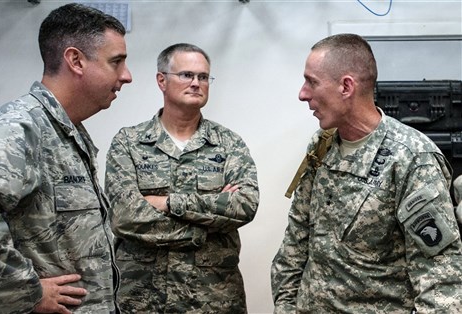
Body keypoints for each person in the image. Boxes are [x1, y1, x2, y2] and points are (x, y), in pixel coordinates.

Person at [271, 33, 462, 313]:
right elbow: (296, 240)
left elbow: (440, 279)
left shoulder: (412, 158)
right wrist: (285, 306)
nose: (303, 93)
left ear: (346, 86)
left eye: (312, 82)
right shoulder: (322, 144)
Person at [0, 3, 132, 314]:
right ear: (76, 60)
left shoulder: (67, 130)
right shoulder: (23, 125)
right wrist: (19, 291)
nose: (127, 76)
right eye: (116, 62)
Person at [104, 43, 259, 313]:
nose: (197, 83)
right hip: (143, 300)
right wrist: (203, 228)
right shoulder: (129, 142)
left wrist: (167, 203)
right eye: (186, 75)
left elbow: (245, 205)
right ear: (161, 81)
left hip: (213, 300)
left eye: (203, 77)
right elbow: (124, 216)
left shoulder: (228, 144)